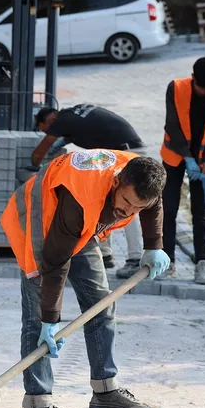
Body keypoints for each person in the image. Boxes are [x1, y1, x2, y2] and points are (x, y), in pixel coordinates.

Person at [0, 149, 170, 408]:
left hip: (82, 228)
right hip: (40, 220)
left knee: (101, 305)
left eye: (137, 208)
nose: (128, 212)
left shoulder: (141, 177)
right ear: (116, 182)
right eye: (127, 202)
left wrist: (154, 244)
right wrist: (49, 319)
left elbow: (152, 202)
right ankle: (36, 407)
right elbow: (55, 262)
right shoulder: (82, 199)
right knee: (37, 319)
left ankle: (105, 391)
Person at [32, 104, 148, 279]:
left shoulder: (61, 121)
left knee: (128, 202)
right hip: (123, 150)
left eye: (46, 129)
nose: (50, 133)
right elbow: (91, 129)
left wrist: (34, 165)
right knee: (105, 198)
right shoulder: (73, 115)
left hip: (127, 153)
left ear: (49, 120)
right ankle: (105, 254)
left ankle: (135, 258)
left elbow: (42, 148)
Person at [160, 57, 205, 285]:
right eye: (200, 87)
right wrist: (187, 157)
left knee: (200, 214)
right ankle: (167, 262)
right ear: (192, 76)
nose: (203, 92)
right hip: (174, 156)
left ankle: (202, 264)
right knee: (168, 210)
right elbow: (172, 124)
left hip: (201, 162)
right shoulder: (176, 87)